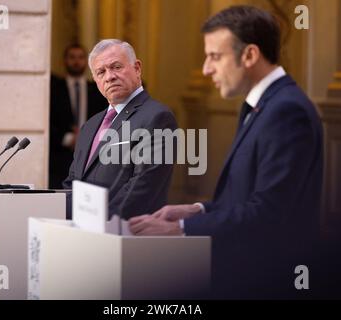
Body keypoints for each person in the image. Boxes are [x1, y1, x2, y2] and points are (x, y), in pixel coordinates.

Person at [129, 5, 323, 299]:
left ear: (249, 55)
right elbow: (247, 197)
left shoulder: (286, 111)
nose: (206, 69)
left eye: (215, 57)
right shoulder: (266, 105)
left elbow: (269, 213)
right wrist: (198, 209)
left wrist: (181, 228)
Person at [63, 39, 177, 220]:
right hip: (82, 234)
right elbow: (73, 183)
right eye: (101, 72)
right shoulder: (90, 126)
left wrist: (99, 222)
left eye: (116, 67)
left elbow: (144, 185)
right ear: (96, 80)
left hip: (124, 234)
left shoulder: (157, 117)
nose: (109, 76)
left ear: (137, 68)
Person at [49, 44, 108, 189]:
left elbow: (106, 119)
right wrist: (69, 139)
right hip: (60, 156)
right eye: (72, 57)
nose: (76, 61)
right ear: (65, 60)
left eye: (80, 57)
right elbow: (46, 120)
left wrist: (86, 137)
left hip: (92, 155)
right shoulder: (54, 89)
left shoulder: (97, 89)